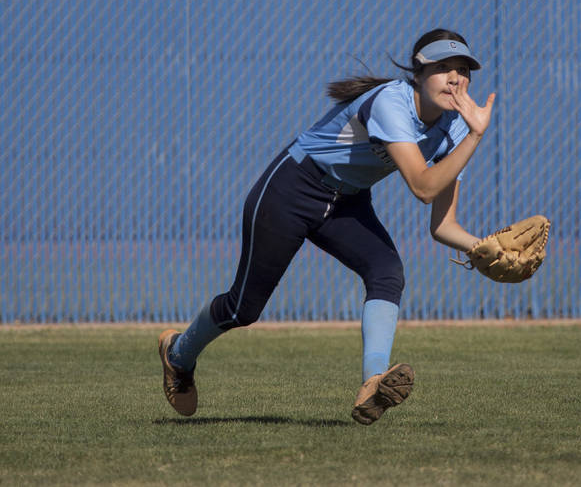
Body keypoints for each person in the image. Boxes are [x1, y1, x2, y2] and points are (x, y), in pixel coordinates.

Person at [158, 28, 495, 425]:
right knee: (243, 309)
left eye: (463, 69)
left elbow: (443, 225)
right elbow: (423, 187)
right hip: (292, 189)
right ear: (417, 73)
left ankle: (374, 382)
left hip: (347, 201)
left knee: (386, 272)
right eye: (442, 68)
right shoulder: (393, 103)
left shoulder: (455, 128)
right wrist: (475, 135)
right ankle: (177, 353)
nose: (455, 78)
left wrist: (483, 246)